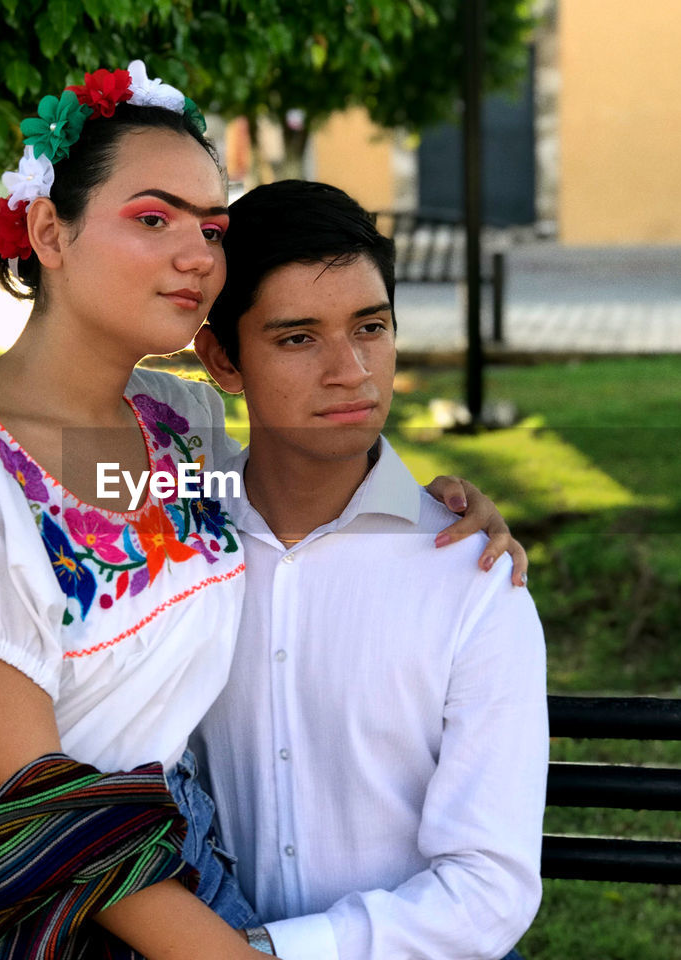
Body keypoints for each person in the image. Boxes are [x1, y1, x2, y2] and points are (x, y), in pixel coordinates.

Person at [0, 62, 524, 960]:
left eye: (211, 227)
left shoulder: (176, 429)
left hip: (174, 862)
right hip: (53, 892)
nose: (197, 256)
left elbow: (279, 498)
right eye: (153, 219)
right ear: (48, 231)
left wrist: (434, 506)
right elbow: (27, 789)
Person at [188, 180, 548, 960]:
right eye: (297, 338)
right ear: (223, 357)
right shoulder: (171, 532)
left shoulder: (474, 579)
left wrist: (266, 953)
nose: (351, 371)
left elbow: (489, 890)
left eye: (370, 328)